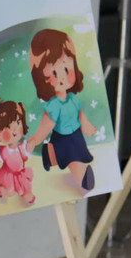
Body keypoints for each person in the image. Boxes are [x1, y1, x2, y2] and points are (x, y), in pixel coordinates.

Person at [25, 28, 96, 192]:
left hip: (76, 136)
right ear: (42, 79)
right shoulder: (54, 106)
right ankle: (83, 178)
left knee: (76, 153)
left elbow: (80, 114)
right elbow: (47, 124)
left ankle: (50, 154)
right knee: (73, 159)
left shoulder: (73, 99)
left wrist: (86, 126)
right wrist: (35, 139)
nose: (62, 77)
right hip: (63, 139)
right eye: (53, 73)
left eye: (66, 69)